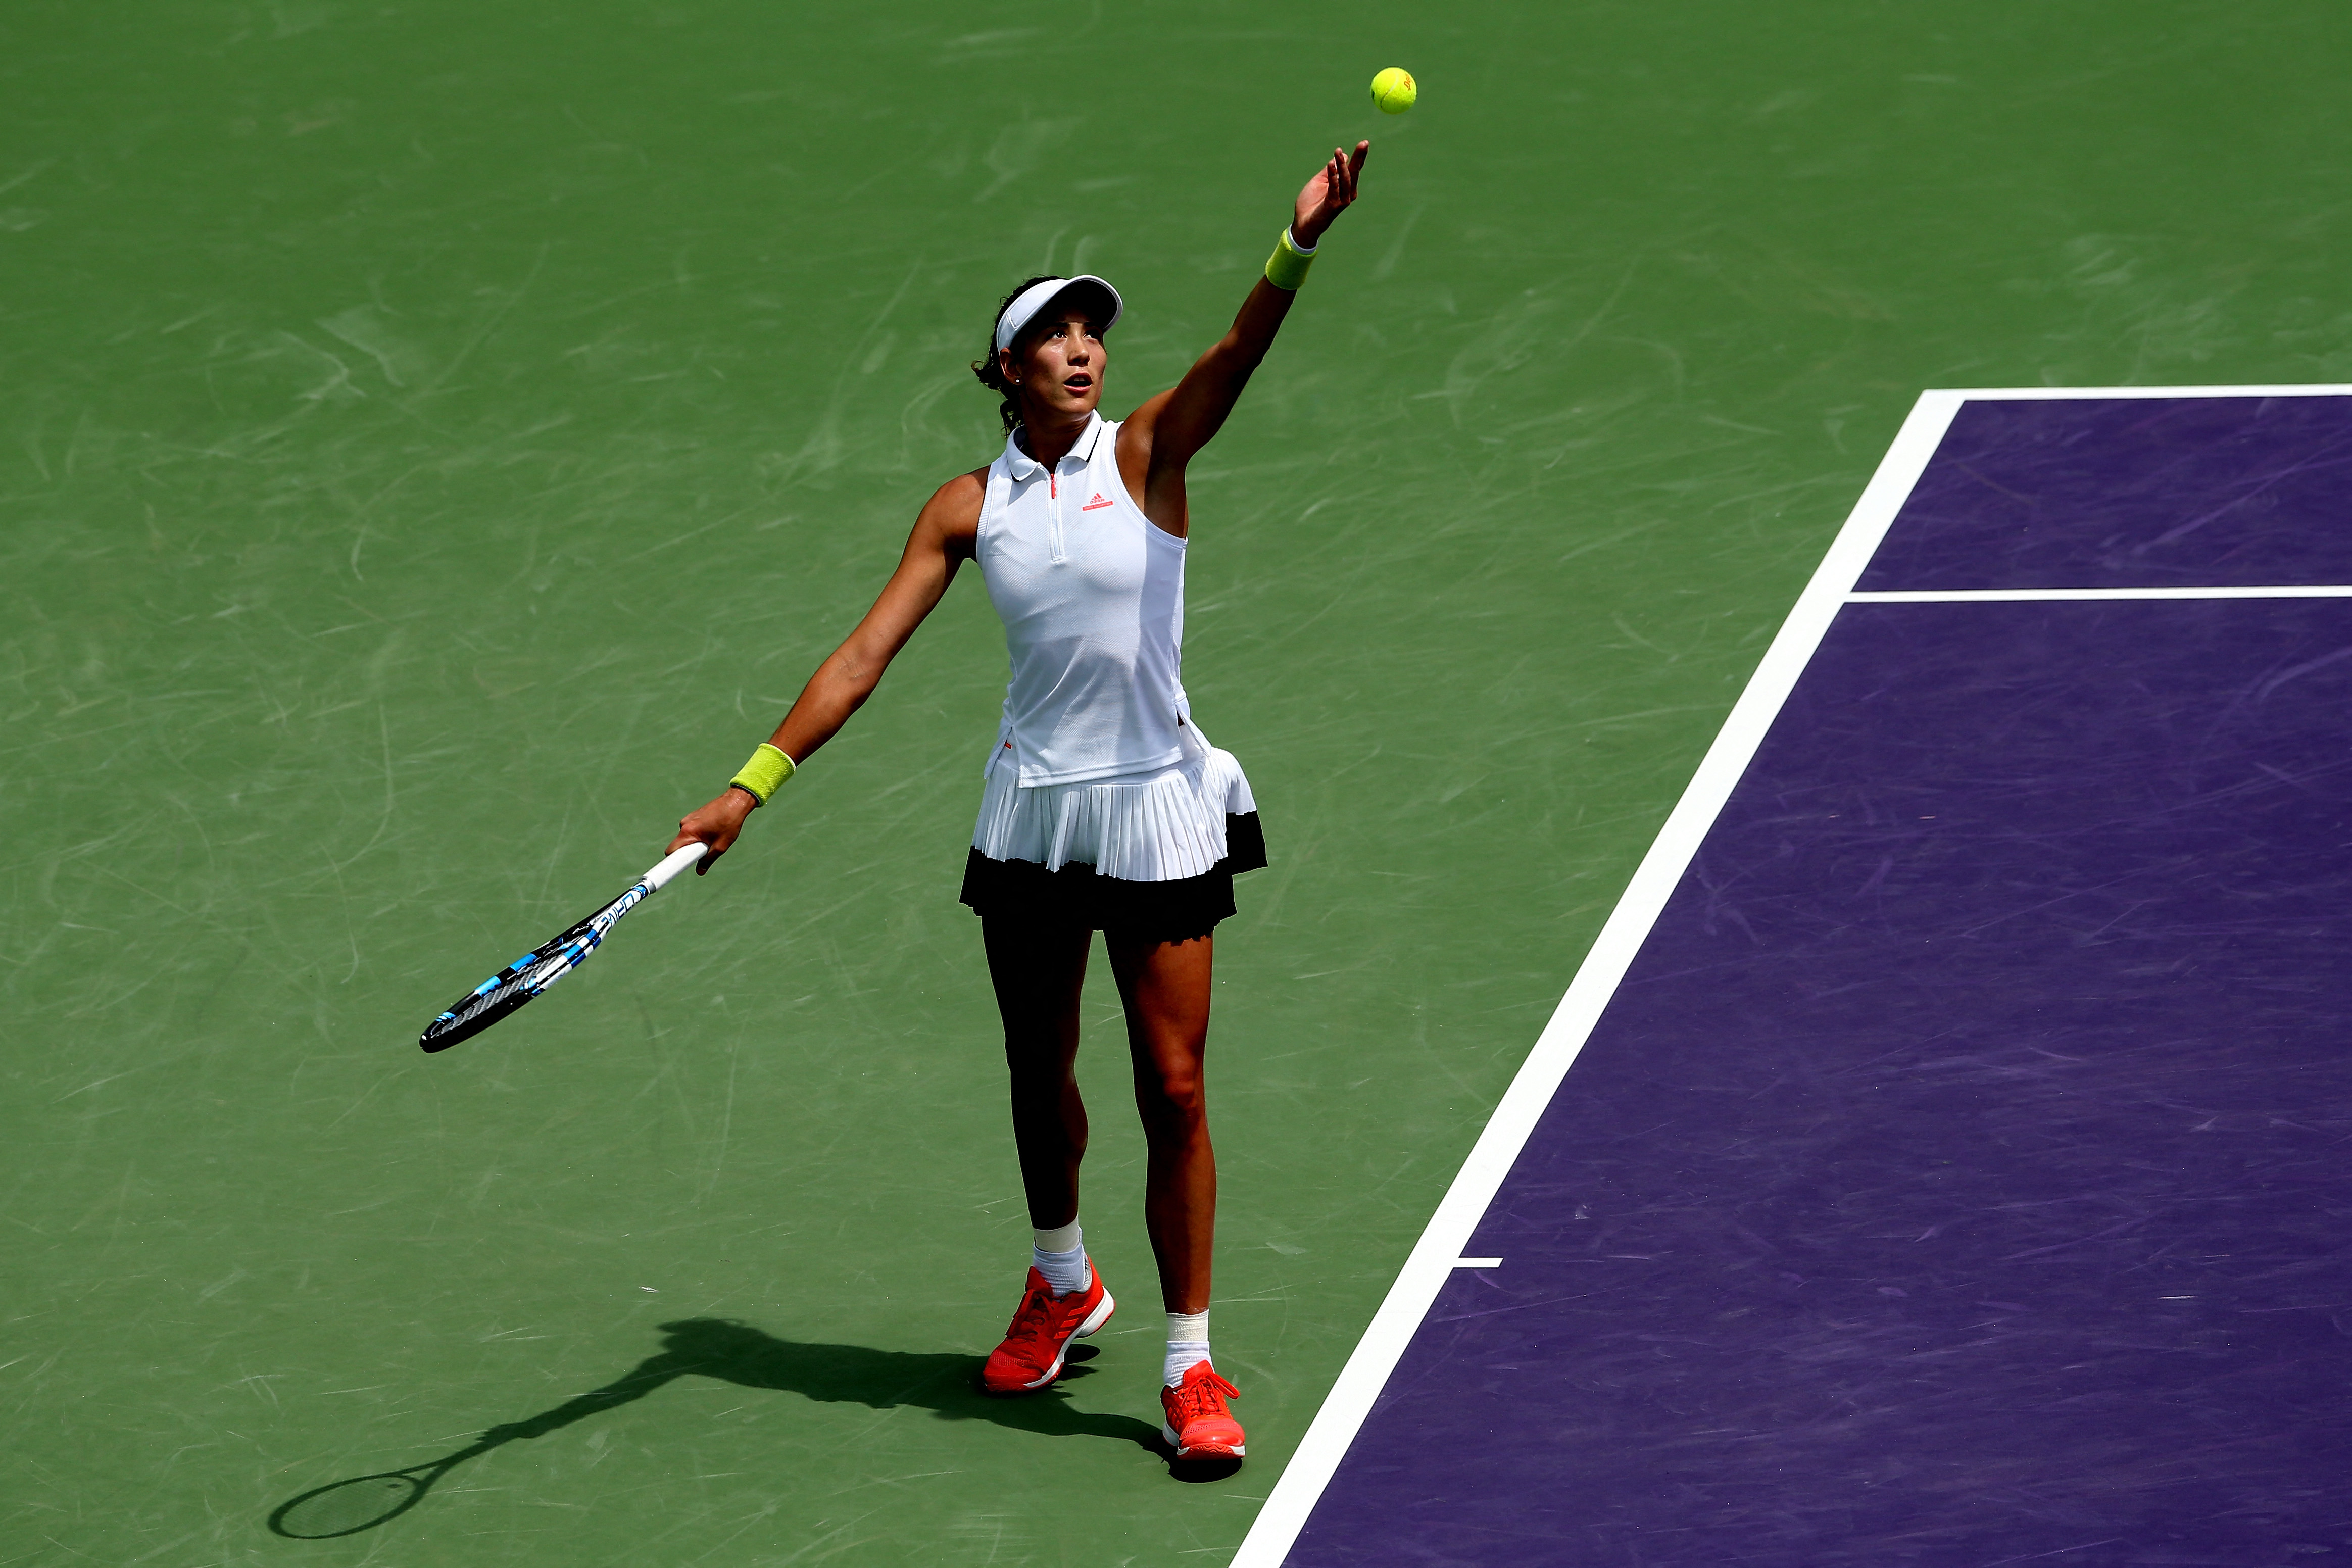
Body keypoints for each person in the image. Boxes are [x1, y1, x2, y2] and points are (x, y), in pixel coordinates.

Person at [667, 138, 1372, 1466]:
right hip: (1033, 815)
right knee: (1038, 1076)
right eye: (1052, 335)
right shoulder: (966, 506)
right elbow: (863, 658)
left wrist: (1298, 245)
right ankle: (1062, 1281)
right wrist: (747, 788)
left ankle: (1190, 1364)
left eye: (1090, 330)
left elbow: (1236, 356)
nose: (1081, 348)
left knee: (1173, 1087)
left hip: (1155, 806)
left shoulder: (1148, 452)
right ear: (1005, 370)